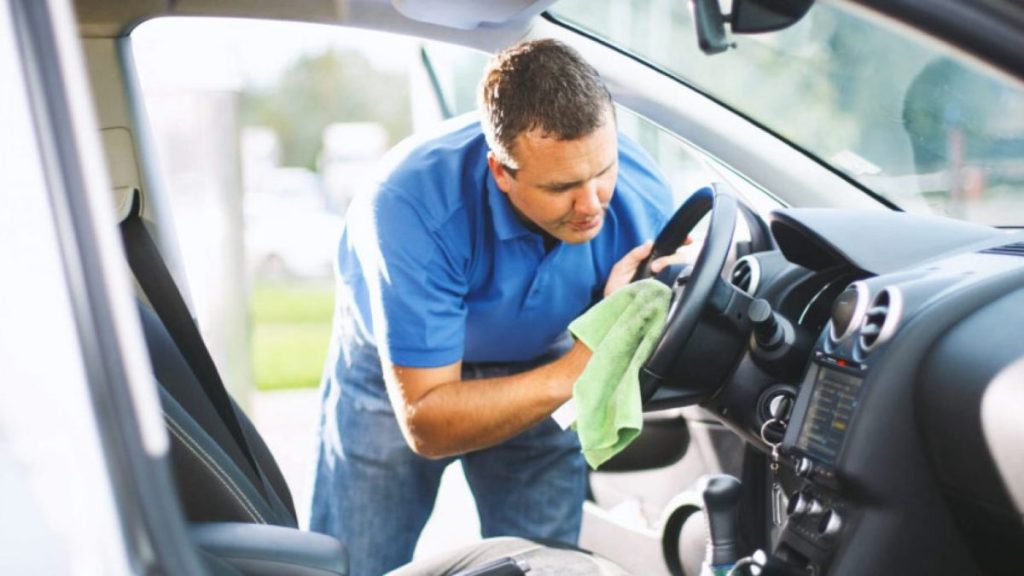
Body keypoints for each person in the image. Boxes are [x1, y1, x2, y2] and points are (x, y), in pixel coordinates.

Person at [309, 38, 676, 576]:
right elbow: (428, 422)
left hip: (541, 358)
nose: (593, 204)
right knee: (352, 564)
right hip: (400, 376)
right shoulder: (408, 204)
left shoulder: (641, 198)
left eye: (603, 170)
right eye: (562, 187)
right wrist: (582, 366)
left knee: (543, 567)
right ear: (501, 172)